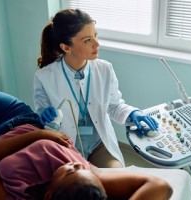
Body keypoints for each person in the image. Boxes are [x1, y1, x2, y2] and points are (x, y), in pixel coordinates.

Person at [34, 9, 158, 168]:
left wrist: (132, 113)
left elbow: (114, 106)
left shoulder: (105, 69)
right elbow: (41, 111)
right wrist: (44, 114)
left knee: (117, 176)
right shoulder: (44, 77)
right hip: (66, 146)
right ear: (66, 47)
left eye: (96, 36)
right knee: (81, 185)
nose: (97, 44)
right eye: (87, 40)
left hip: (99, 145)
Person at [0, 123, 173, 200]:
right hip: (19, 117)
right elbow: (161, 186)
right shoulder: (88, 188)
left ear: (49, 195)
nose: (76, 165)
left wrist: (38, 136)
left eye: (70, 171)